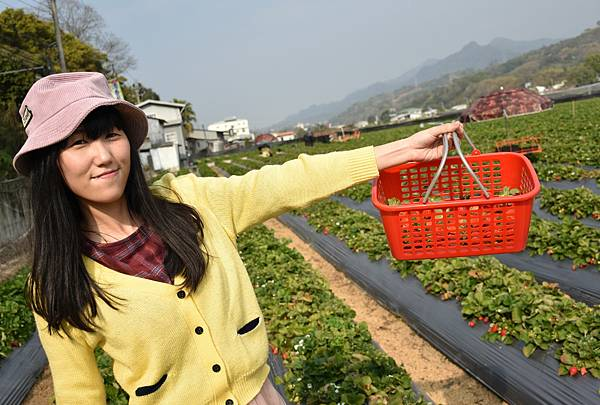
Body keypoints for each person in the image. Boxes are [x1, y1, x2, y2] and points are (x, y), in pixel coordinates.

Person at [14, 72, 464, 405]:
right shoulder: (58, 279)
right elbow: (78, 393)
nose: (103, 155)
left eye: (111, 135)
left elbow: (286, 181)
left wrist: (397, 151)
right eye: (78, 144)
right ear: (52, 164)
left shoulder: (190, 201)